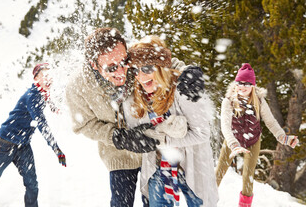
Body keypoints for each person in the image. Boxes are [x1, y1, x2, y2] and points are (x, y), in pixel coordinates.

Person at [65, 27, 205, 207]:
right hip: (119, 153)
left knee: (156, 200)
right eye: (112, 68)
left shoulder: (133, 60)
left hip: (153, 147)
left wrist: (188, 72)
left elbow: (161, 60)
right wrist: (118, 137)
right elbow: (84, 125)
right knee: (121, 203)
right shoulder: (77, 88)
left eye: (124, 62)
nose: (122, 71)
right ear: (94, 65)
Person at [122, 35, 218, 207]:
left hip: (191, 165)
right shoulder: (136, 96)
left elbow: (202, 133)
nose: (141, 76)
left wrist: (165, 139)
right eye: (136, 70)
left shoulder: (184, 89)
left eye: (147, 68)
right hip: (159, 167)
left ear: (161, 67)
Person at [0, 63, 66, 207]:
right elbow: (42, 124)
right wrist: (56, 149)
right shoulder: (32, 96)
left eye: (50, 76)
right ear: (36, 78)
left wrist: (52, 106)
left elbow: (45, 98)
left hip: (23, 146)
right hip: (5, 144)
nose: (49, 79)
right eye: (44, 76)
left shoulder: (41, 93)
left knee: (32, 183)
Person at [215, 63, 299, 207]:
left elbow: (271, 122)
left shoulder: (259, 101)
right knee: (219, 173)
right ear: (236, 84)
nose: (243, 86)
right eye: (240, 83)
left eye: (247, 83)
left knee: (248, 177)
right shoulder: (228, 101)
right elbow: (225, 127)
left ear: (252, 86)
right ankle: (205, 201)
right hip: (232, 140)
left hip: (252, 141)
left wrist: (284, 138)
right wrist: (234, 144)